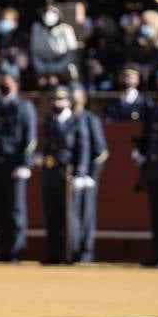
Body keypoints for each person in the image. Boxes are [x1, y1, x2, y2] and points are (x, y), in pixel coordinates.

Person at [0, 65, 37, 262]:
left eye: (7, 80)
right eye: (2, 80)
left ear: (16, 83)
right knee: (0, 210)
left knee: (16, 210)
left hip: (14, 164)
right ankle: (1, 249)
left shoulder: (24, 107)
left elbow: (30, 137)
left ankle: (15, 250)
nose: (4, 84)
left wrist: (26, 163)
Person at [40, 85, 88, 265]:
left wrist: (80, 173)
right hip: (50, 172)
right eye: (55, 99)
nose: (57, 103)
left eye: (61, 99)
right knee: (52, 215)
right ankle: (54, 253)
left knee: (69, 216)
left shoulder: (76, 121)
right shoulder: (50, 121)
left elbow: (82, 148)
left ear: (69, 102)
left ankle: (70, 253)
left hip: (67, 173)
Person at [71, 85, 108, 264]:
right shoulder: (67, 119)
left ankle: (86, 251)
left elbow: (101, 151)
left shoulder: (90, 119)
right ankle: (72, 249)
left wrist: (91, 176)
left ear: (84, 100)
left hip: (86, 177)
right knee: (72, 216)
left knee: (86, 215)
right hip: (70, 176)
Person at [135, 98, 158, 266]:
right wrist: (141, 151)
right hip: (154, 169)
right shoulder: (153, 107)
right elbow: (148, 136)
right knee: (156, 214)